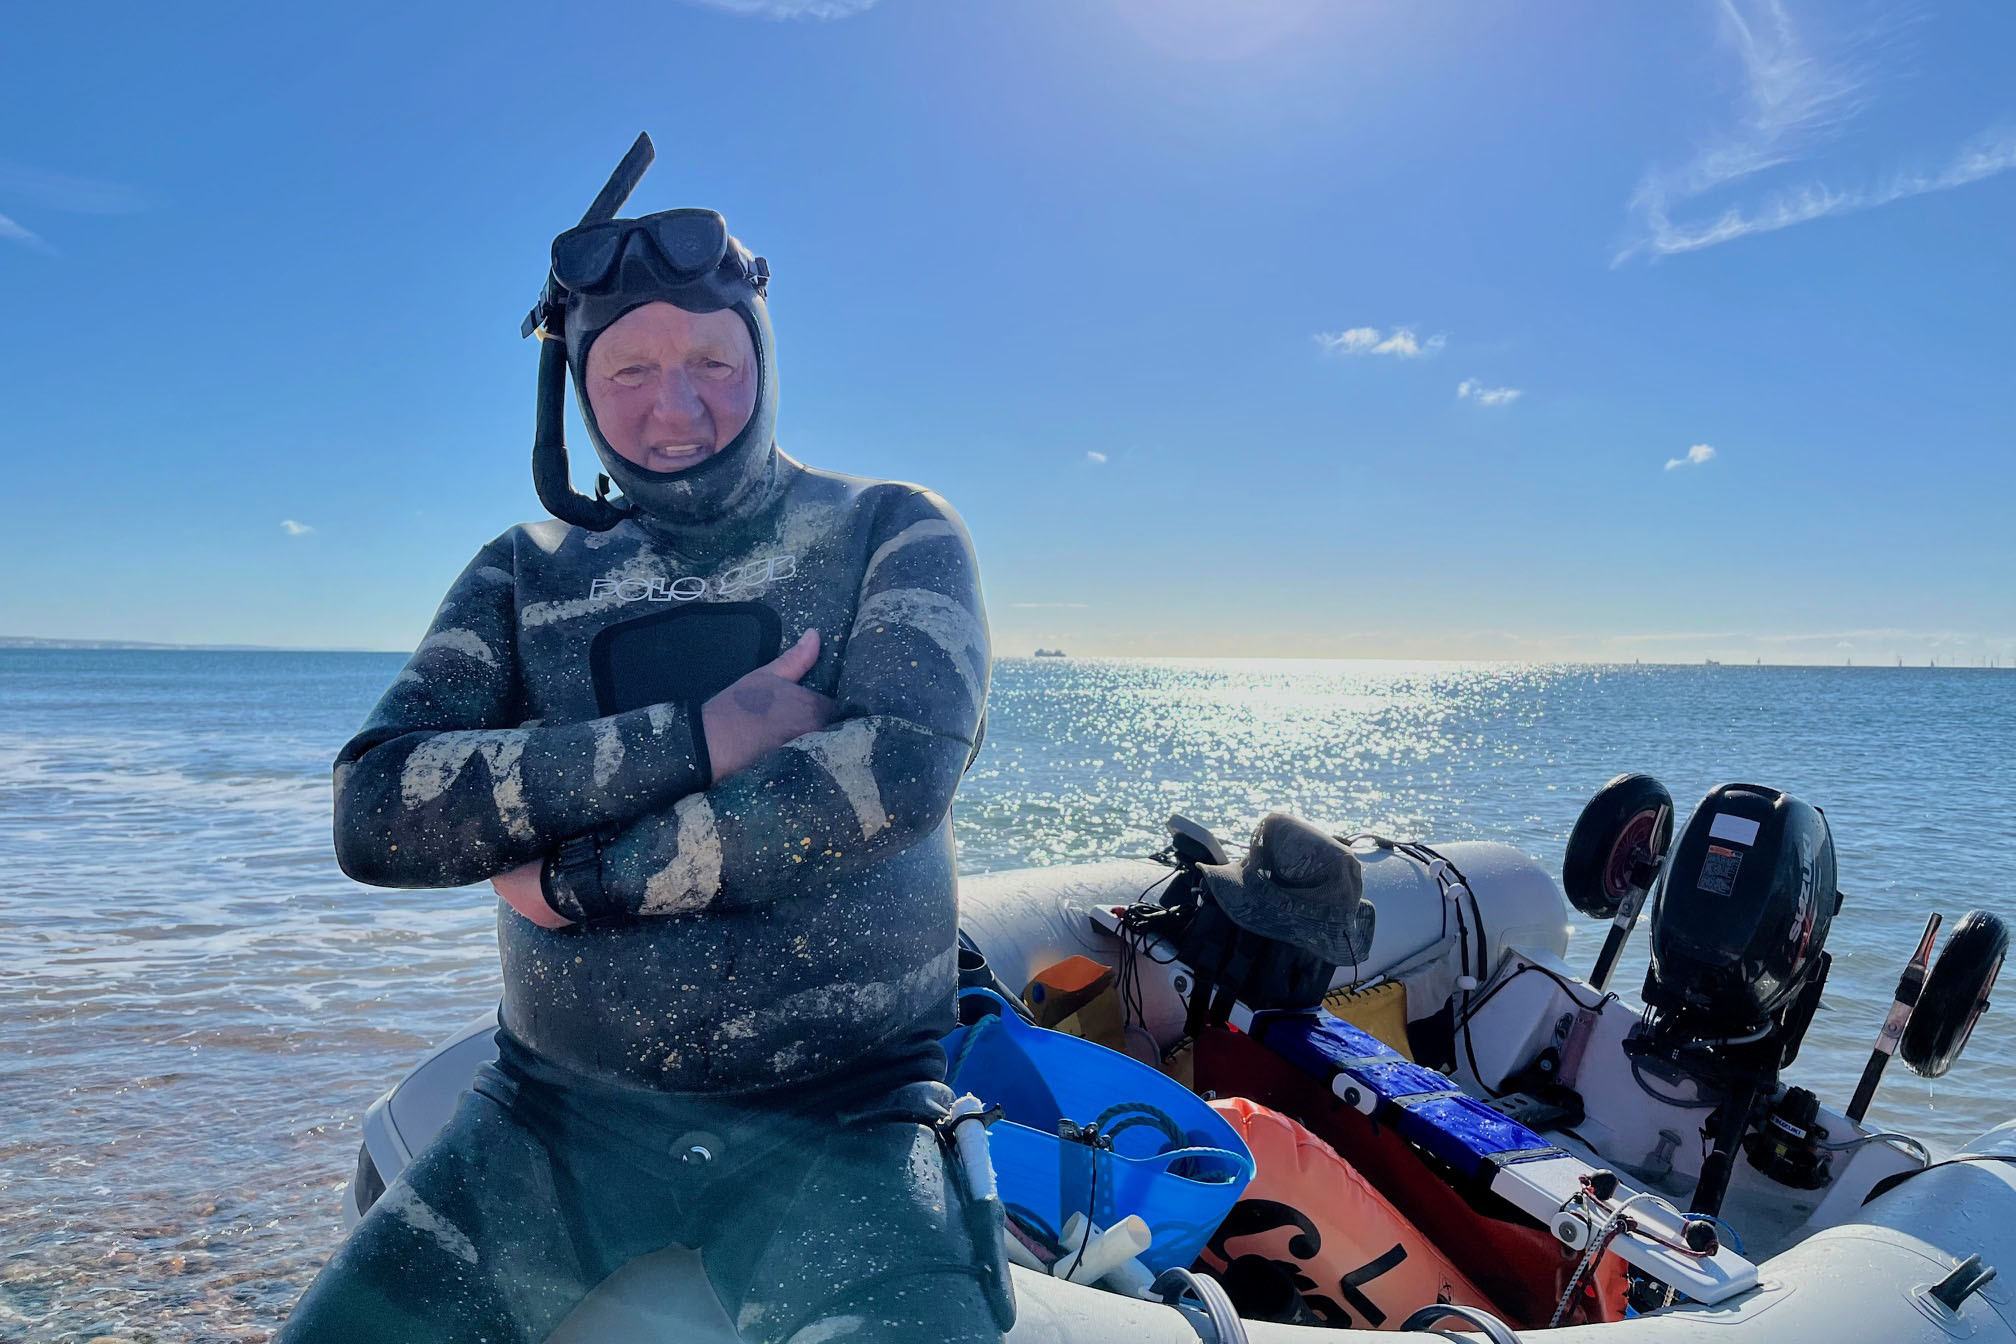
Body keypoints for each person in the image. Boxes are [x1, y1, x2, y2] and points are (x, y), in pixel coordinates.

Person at [278, 148, 1008, 1344]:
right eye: (629, 371)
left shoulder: (893, 529)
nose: (677, 409)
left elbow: (897, 773)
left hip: (850, 1118)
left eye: (713, 360)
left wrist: (579, 881)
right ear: (575, 384)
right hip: (550, 1123)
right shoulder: (524, 575)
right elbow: (378, 811)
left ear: (763, 360)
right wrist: (705, 736)